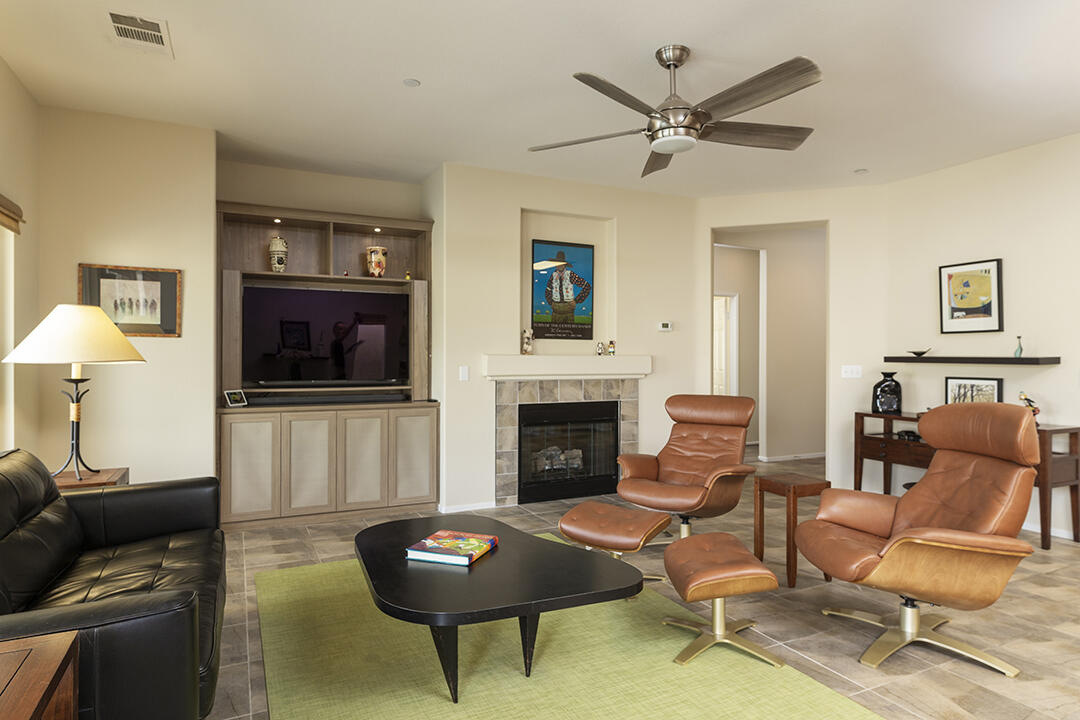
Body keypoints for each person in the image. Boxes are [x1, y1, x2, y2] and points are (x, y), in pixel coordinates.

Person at [544, 251, 591, 325]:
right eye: (557, 263)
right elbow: (547, 290)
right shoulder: (553, 276)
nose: (559, 265)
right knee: (554, 331)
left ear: (564, 265)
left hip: (568, 309)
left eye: (561, 263)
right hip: (556, 309)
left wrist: (576, 300)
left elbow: (587, 286)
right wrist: (551, 302)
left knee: (570, 331)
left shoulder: (570, 275)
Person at [330, 312, 365, 379]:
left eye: (343, 329)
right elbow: (344, 336)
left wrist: (355, 345)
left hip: (341, 375)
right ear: (334, 331)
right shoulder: (335, 342)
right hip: (336, 377)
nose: (342, 331)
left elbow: (344, 354)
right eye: (340, 329)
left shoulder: (339, 343)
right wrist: (354, 322)